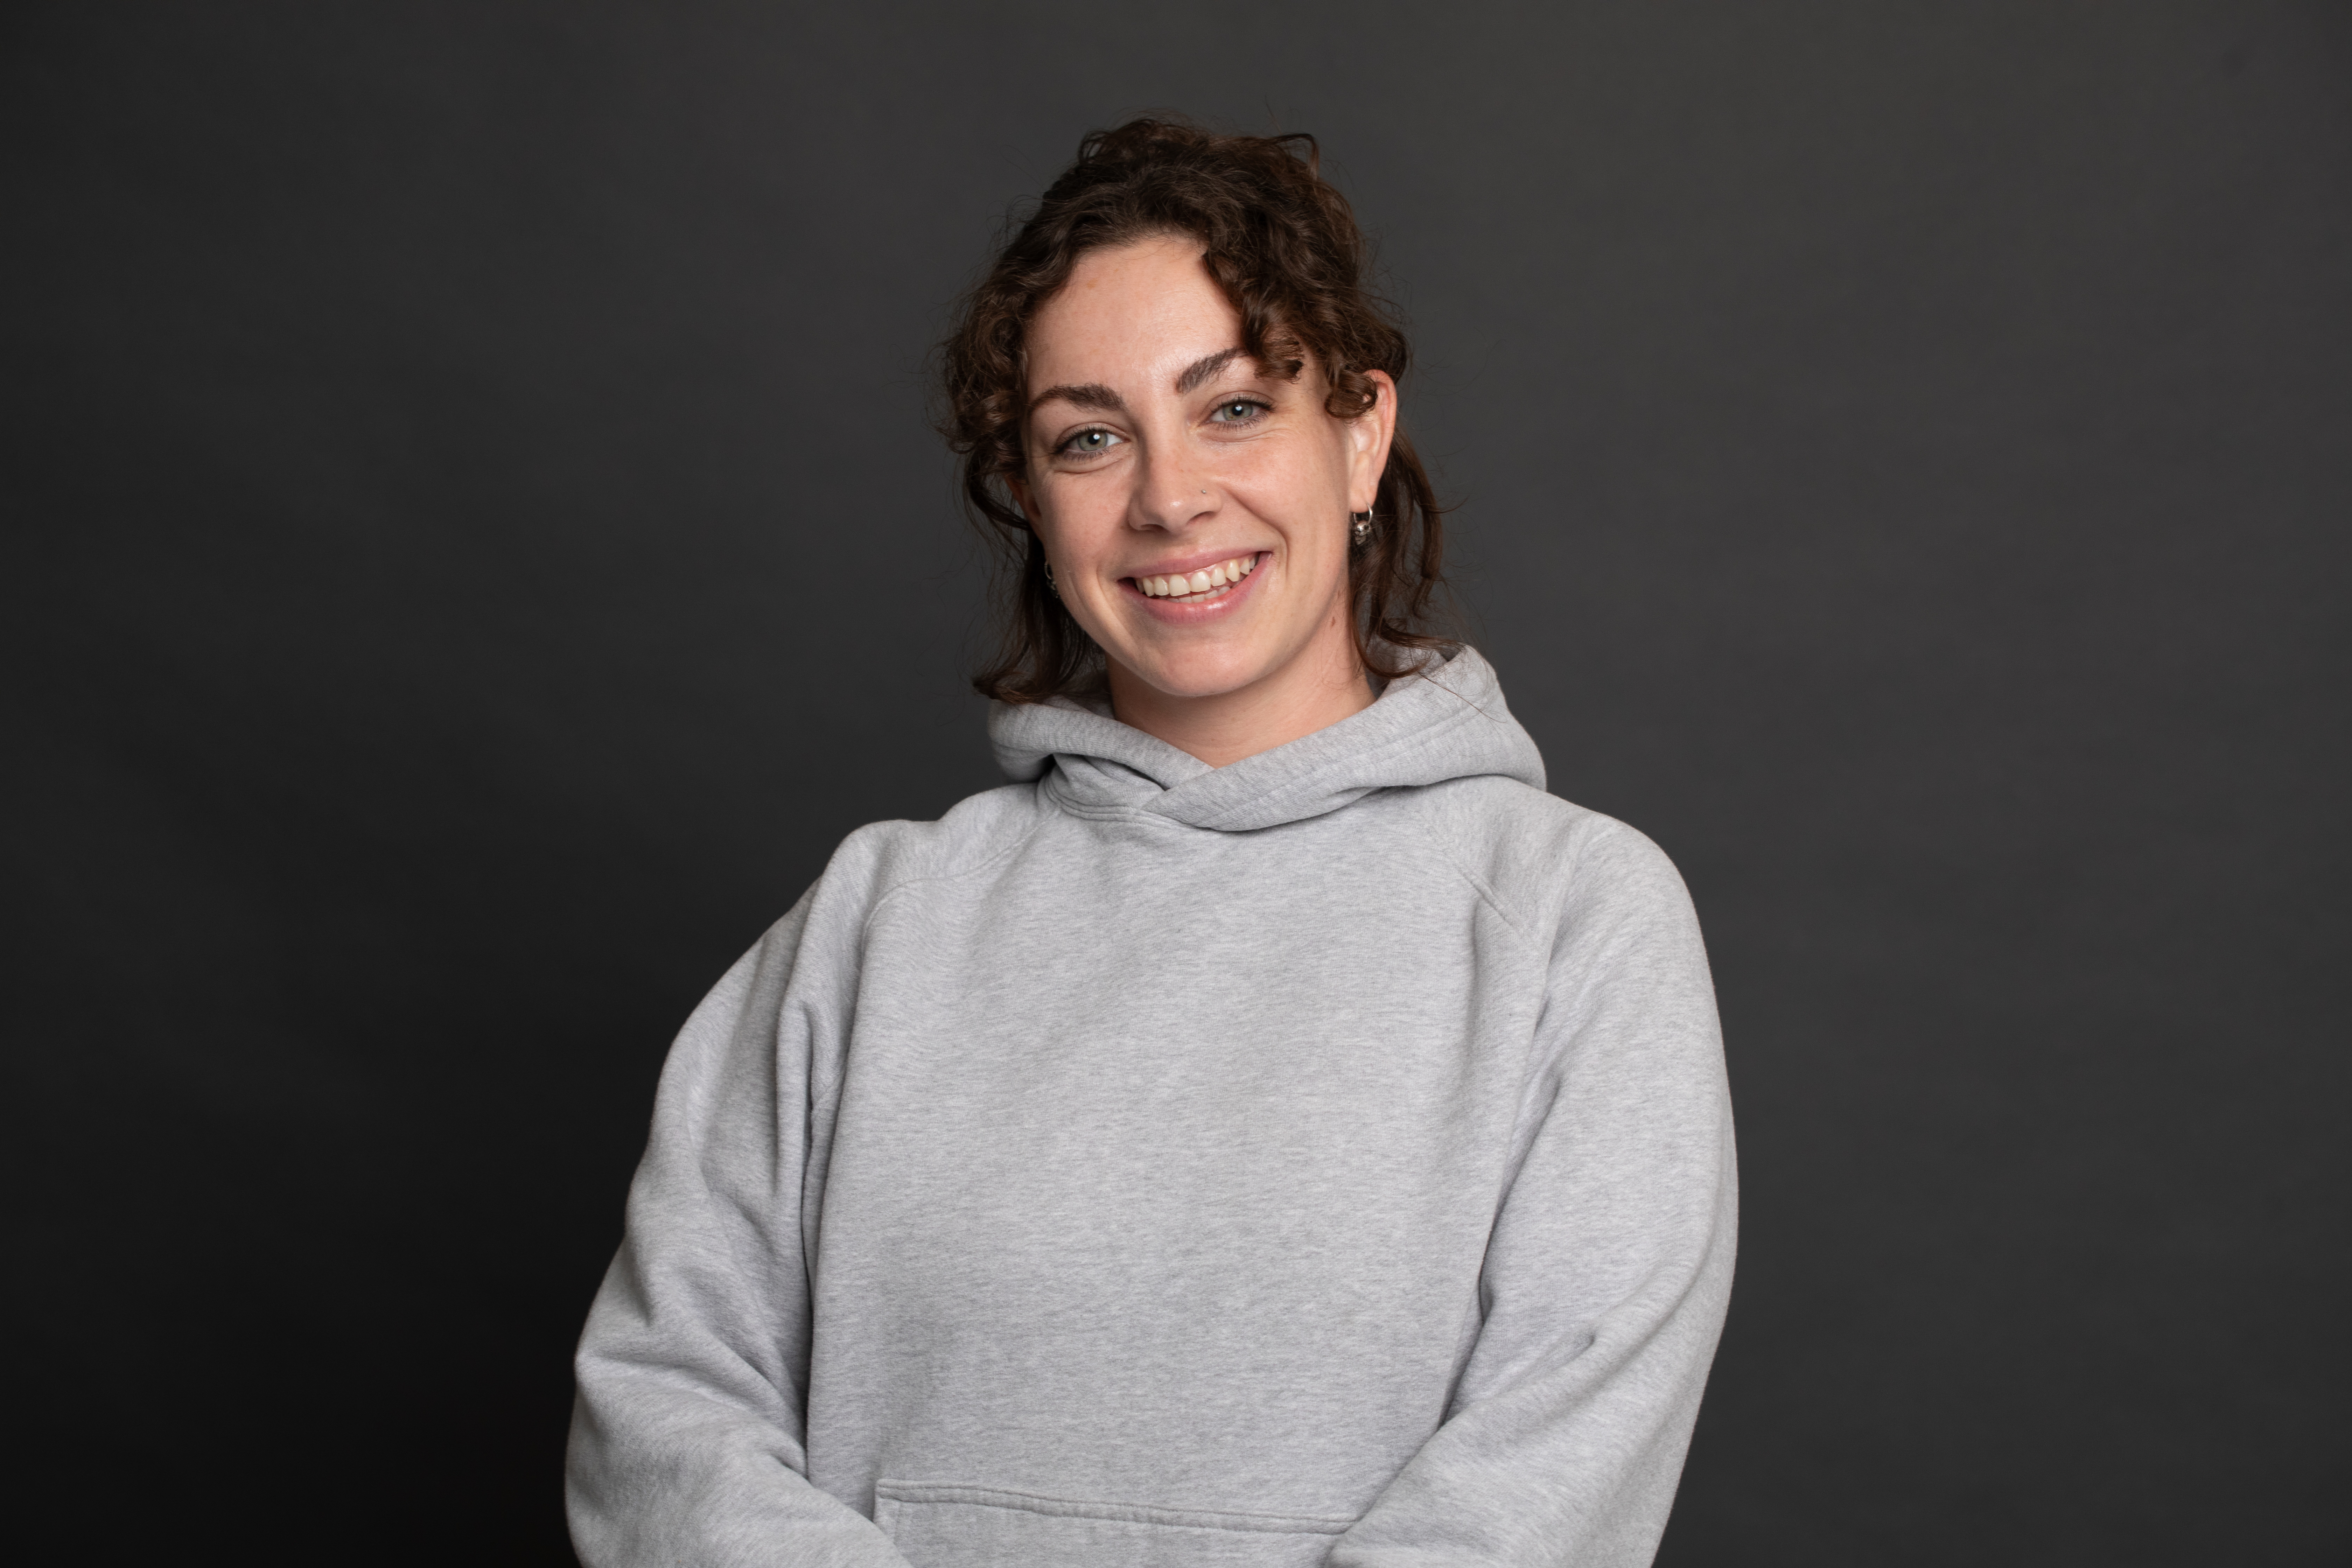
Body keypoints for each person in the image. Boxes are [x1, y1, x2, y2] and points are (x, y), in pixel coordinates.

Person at [566, 117, 1736, 1568]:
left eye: (1233, 406)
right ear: (1033, 498)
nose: (1169, 496)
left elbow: (1550, 1479)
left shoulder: (1573, 917)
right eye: (1091, 435)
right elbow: (665, 1405)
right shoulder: (881, 919)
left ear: (1362, 432)